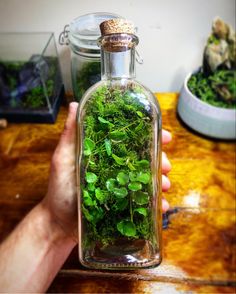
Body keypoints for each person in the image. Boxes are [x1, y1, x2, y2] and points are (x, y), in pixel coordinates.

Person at [0, 102, 172, 292]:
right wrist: (54, 220)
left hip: (136, 239)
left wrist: (55, 224)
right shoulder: (94, 105)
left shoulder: (143, 104)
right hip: (94, 232)